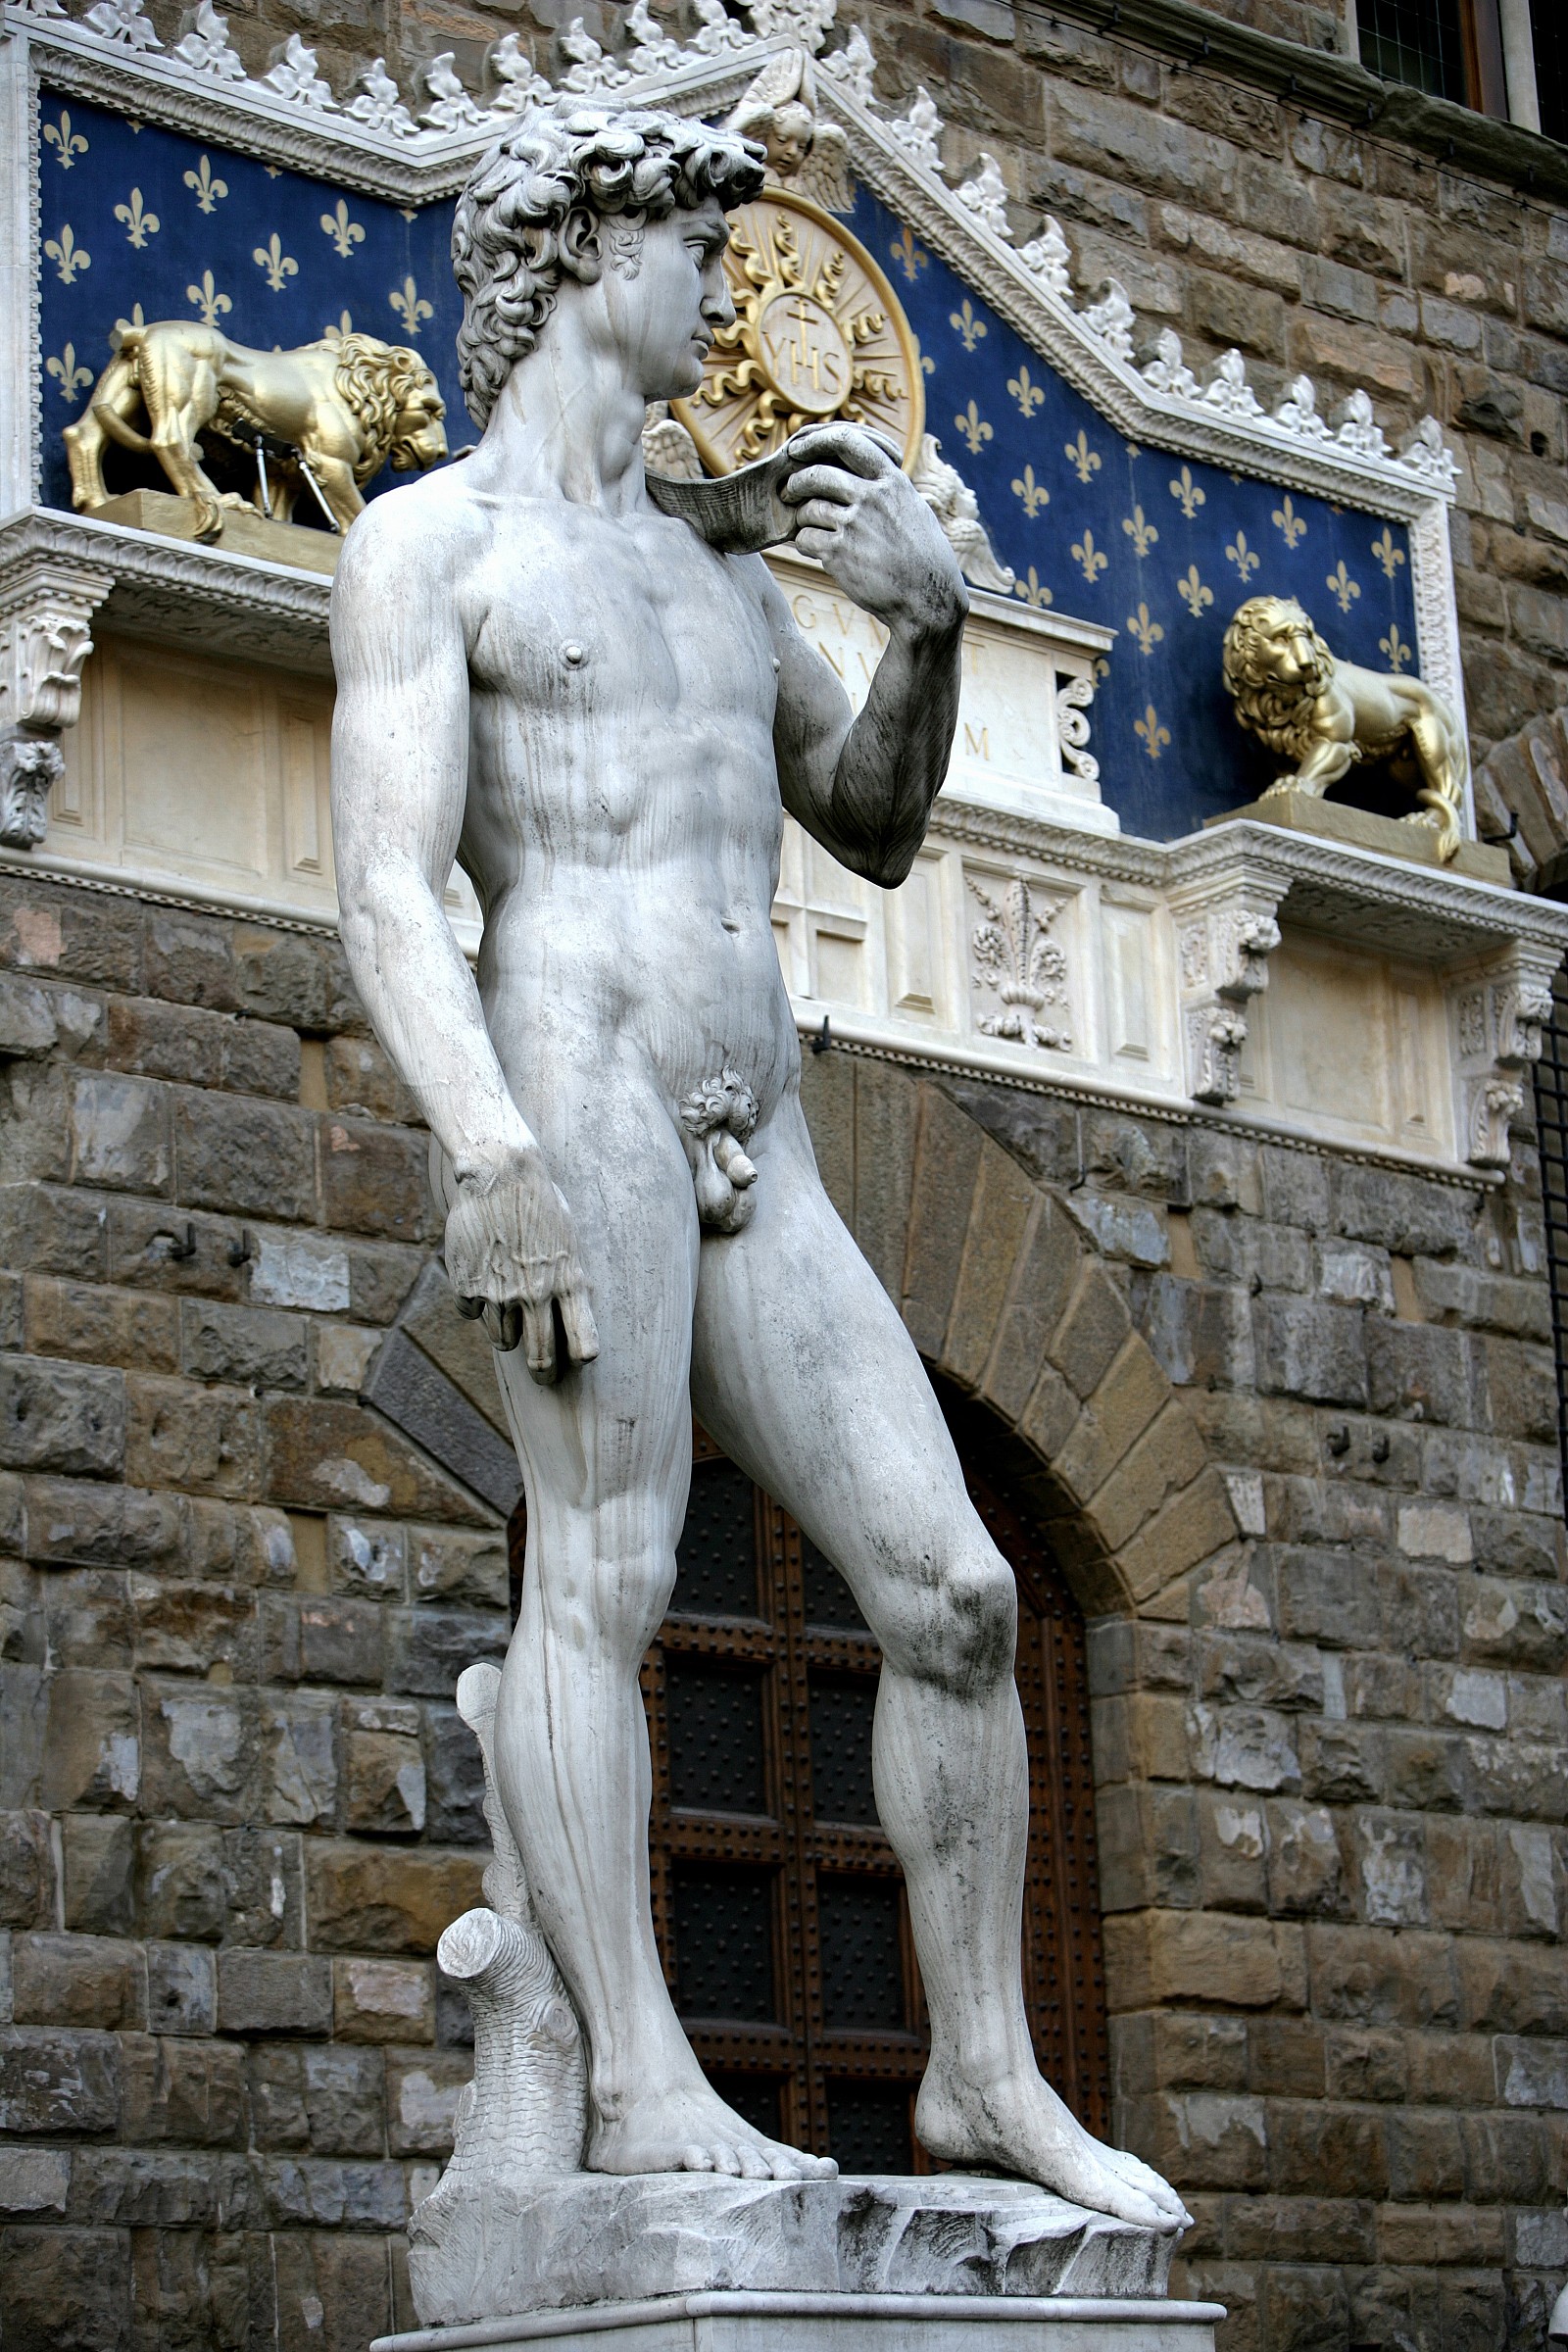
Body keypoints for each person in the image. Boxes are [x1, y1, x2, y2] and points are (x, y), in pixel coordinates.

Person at [330, 100, 1187, 2232]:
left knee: (959, 1593)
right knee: (599, 1577)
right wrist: (490, 1151)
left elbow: (872, 822)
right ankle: (634, 2075)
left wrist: (921, 633)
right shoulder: (434, 546)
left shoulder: (714, 564)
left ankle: (982, 2082)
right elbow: (376, 886)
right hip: (577, 1081)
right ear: (578, 257)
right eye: (695, 247)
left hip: (752, 1124)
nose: (730, 289)